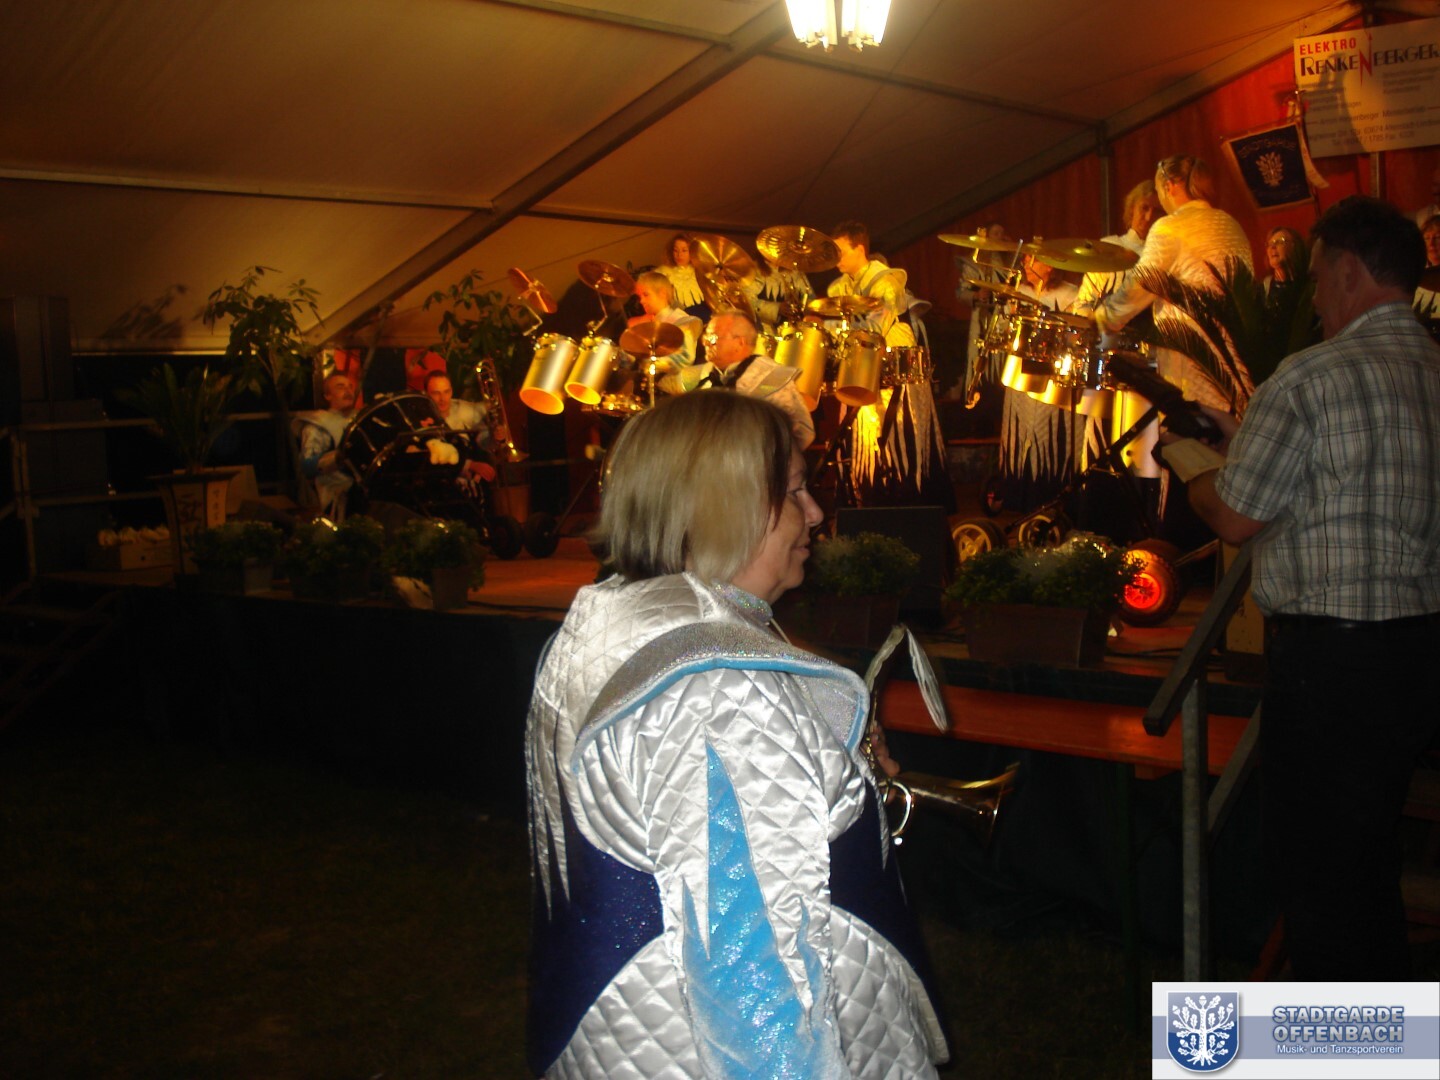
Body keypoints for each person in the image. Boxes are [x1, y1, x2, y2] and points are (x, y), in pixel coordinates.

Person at [525, 391, 948, 1077]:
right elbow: (756, 974)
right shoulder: (719, 689)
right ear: (729, 506)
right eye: (796, 492)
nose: (816, 514)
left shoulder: (614, 621)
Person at [1158, 195, 1440, 980]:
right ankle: (1388, 1032)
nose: (1313, 299)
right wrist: (1244, 441)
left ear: (1347, 272)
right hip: (1419, 654)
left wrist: (1192, 465)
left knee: (1320, 883)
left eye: (1316, 279)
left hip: (1330, 668)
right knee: (1367, 867)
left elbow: (1236, 515)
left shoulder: (1312, 375)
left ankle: (1338, 1036)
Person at [1097, 154, 1254, 412]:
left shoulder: (1170, 227)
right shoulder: (1231, 224)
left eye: (1159, 191)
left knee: (1194, 431)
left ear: (1169, 185)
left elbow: (1140, 286)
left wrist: (1102, 318)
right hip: (1238, 360)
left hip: (1194, 360)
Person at [827, 220, 951, 509]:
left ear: (860, 249)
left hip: (896, 367)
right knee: (863, 435)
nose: (836, 259)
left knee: (898, 434)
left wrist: (838, 333)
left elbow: (876, 326)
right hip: (862, 365)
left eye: (841, 251)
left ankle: (904, 496)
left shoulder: (885, 281)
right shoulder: (839, 287)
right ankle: (868, 493)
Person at [673, 308, 815, 449]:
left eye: (713, 337)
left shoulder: (771, 378)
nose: (706, 343)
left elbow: (802, 433)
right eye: (706, 337)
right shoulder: (701, 377)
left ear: (740, 343)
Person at [1070, 180, 1164, 317]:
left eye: (1157, 211)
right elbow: (1084, 302)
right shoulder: (1108, 246)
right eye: (1144, 208)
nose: (1149, 217)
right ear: (1132, 208)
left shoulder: (1163, 254)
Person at [295, 370, 359, 518]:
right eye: (340, 386)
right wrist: (339, 457)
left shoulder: (361, 418)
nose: (348, 391)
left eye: (350, 386)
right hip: (338, 498)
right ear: (327, 396)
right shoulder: (319, 425)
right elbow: (307, 466)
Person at [424, 371, 501, 483]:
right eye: (436, 393)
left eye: (446, 392)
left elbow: (484, 441)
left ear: (451, 391)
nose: (442, 398)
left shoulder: (463, 410)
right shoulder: (423, 419)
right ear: (426, 394)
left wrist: (496, 436)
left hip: (474, 482)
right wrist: (469, 465)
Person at [631, 270, 703, 383]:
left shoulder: (679, 319)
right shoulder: (652, 323)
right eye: (640, 297)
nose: (641, 301)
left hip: (675, 384)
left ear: (662, 293)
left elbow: (685, 357)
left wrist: (649, 363)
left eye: (646, 295)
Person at [657, 233, 710, 324]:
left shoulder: (701, 271)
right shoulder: (663, 273)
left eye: (684, 250)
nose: (679, 255)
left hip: (706, 318)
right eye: (675, 250)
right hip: (681, 320)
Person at [1259, 226, 1307, 301]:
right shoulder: (1265, 287)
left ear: (1294, 246)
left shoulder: (1307, 285)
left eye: (1279, 242)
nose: (1272, 247)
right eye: (1270, 244)